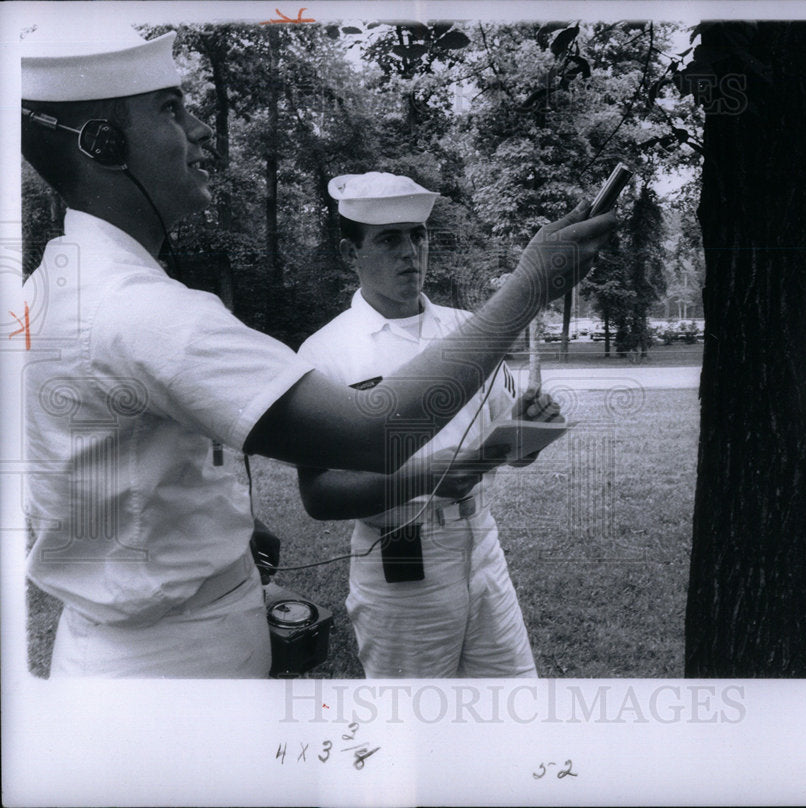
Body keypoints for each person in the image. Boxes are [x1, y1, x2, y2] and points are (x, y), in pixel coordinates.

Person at [19, 24, 614, 677]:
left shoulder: (58, 286)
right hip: (168, 677)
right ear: (102, 144)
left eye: (417, 236)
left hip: (153, 654)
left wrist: (225, 535)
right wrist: (529, 286)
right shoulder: (138, 310)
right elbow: (371, 434)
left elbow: (106, 471)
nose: (197, 128)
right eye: (168, 107)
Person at [297, 173, 562, 678]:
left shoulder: (469, 330)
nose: (409, 252)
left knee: (514, 713)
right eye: (389, 238)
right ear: (349, 251)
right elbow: (319, 496)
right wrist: (424, 476)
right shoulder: (324, 353)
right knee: (414, 731)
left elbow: (512, 449)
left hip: (482, 547)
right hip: (400, 562)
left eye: (418, 235)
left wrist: (529, 432)